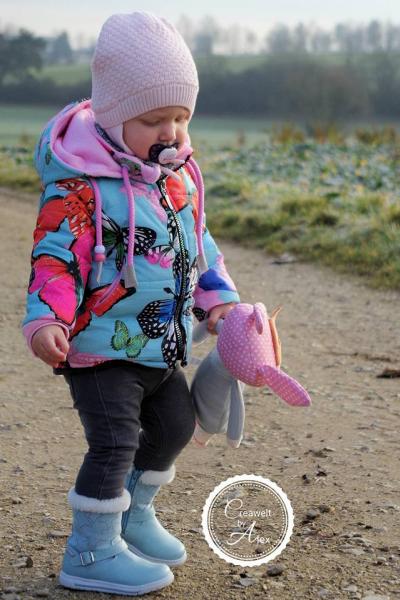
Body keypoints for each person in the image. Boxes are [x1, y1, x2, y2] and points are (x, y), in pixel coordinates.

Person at [22, 11, 240, 596]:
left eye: (180, 117)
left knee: (174, 424)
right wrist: (47, 317)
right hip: (96, 347)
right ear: (115, 116)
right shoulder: (79, 187)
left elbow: (201, 250)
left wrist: (219, 305)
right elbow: (57, 258)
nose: (170, 131)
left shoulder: (179, 181)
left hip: (159, 344)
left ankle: (131, 516)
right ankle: (89, 551)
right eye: (153, 119)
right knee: (116, 440)